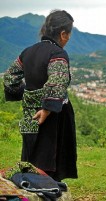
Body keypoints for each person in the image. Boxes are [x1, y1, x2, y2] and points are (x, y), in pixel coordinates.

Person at [3, 9, 77, 182]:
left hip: (30, 114)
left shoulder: (27, 52)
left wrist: (28, 94)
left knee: (32, 155)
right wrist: (46, 109)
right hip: (53, 116)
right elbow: (58, 81)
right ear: (63, 34)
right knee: (51, 158)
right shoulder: (58, 54)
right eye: (70, 33)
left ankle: (30, 187)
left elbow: (9, 79)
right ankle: (50, 189)